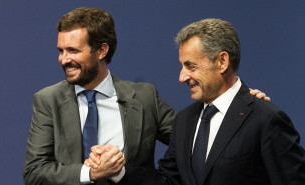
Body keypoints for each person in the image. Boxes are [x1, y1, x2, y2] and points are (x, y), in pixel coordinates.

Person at [23, 7, 269, 185]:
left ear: (101, 50)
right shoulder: (48, 100)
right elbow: (34, 172)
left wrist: (236, 108)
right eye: (61, 50)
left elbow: (195, 139)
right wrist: (90, 173)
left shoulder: (144, 97)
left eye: (73, 50)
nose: (64, 59)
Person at [85, 18, 305, 185]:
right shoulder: (184, 121)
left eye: (191, 66)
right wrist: (118, 170)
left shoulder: (265, 119)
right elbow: (168, 182)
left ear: (222, 62)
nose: (182, 77)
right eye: (182, 66)